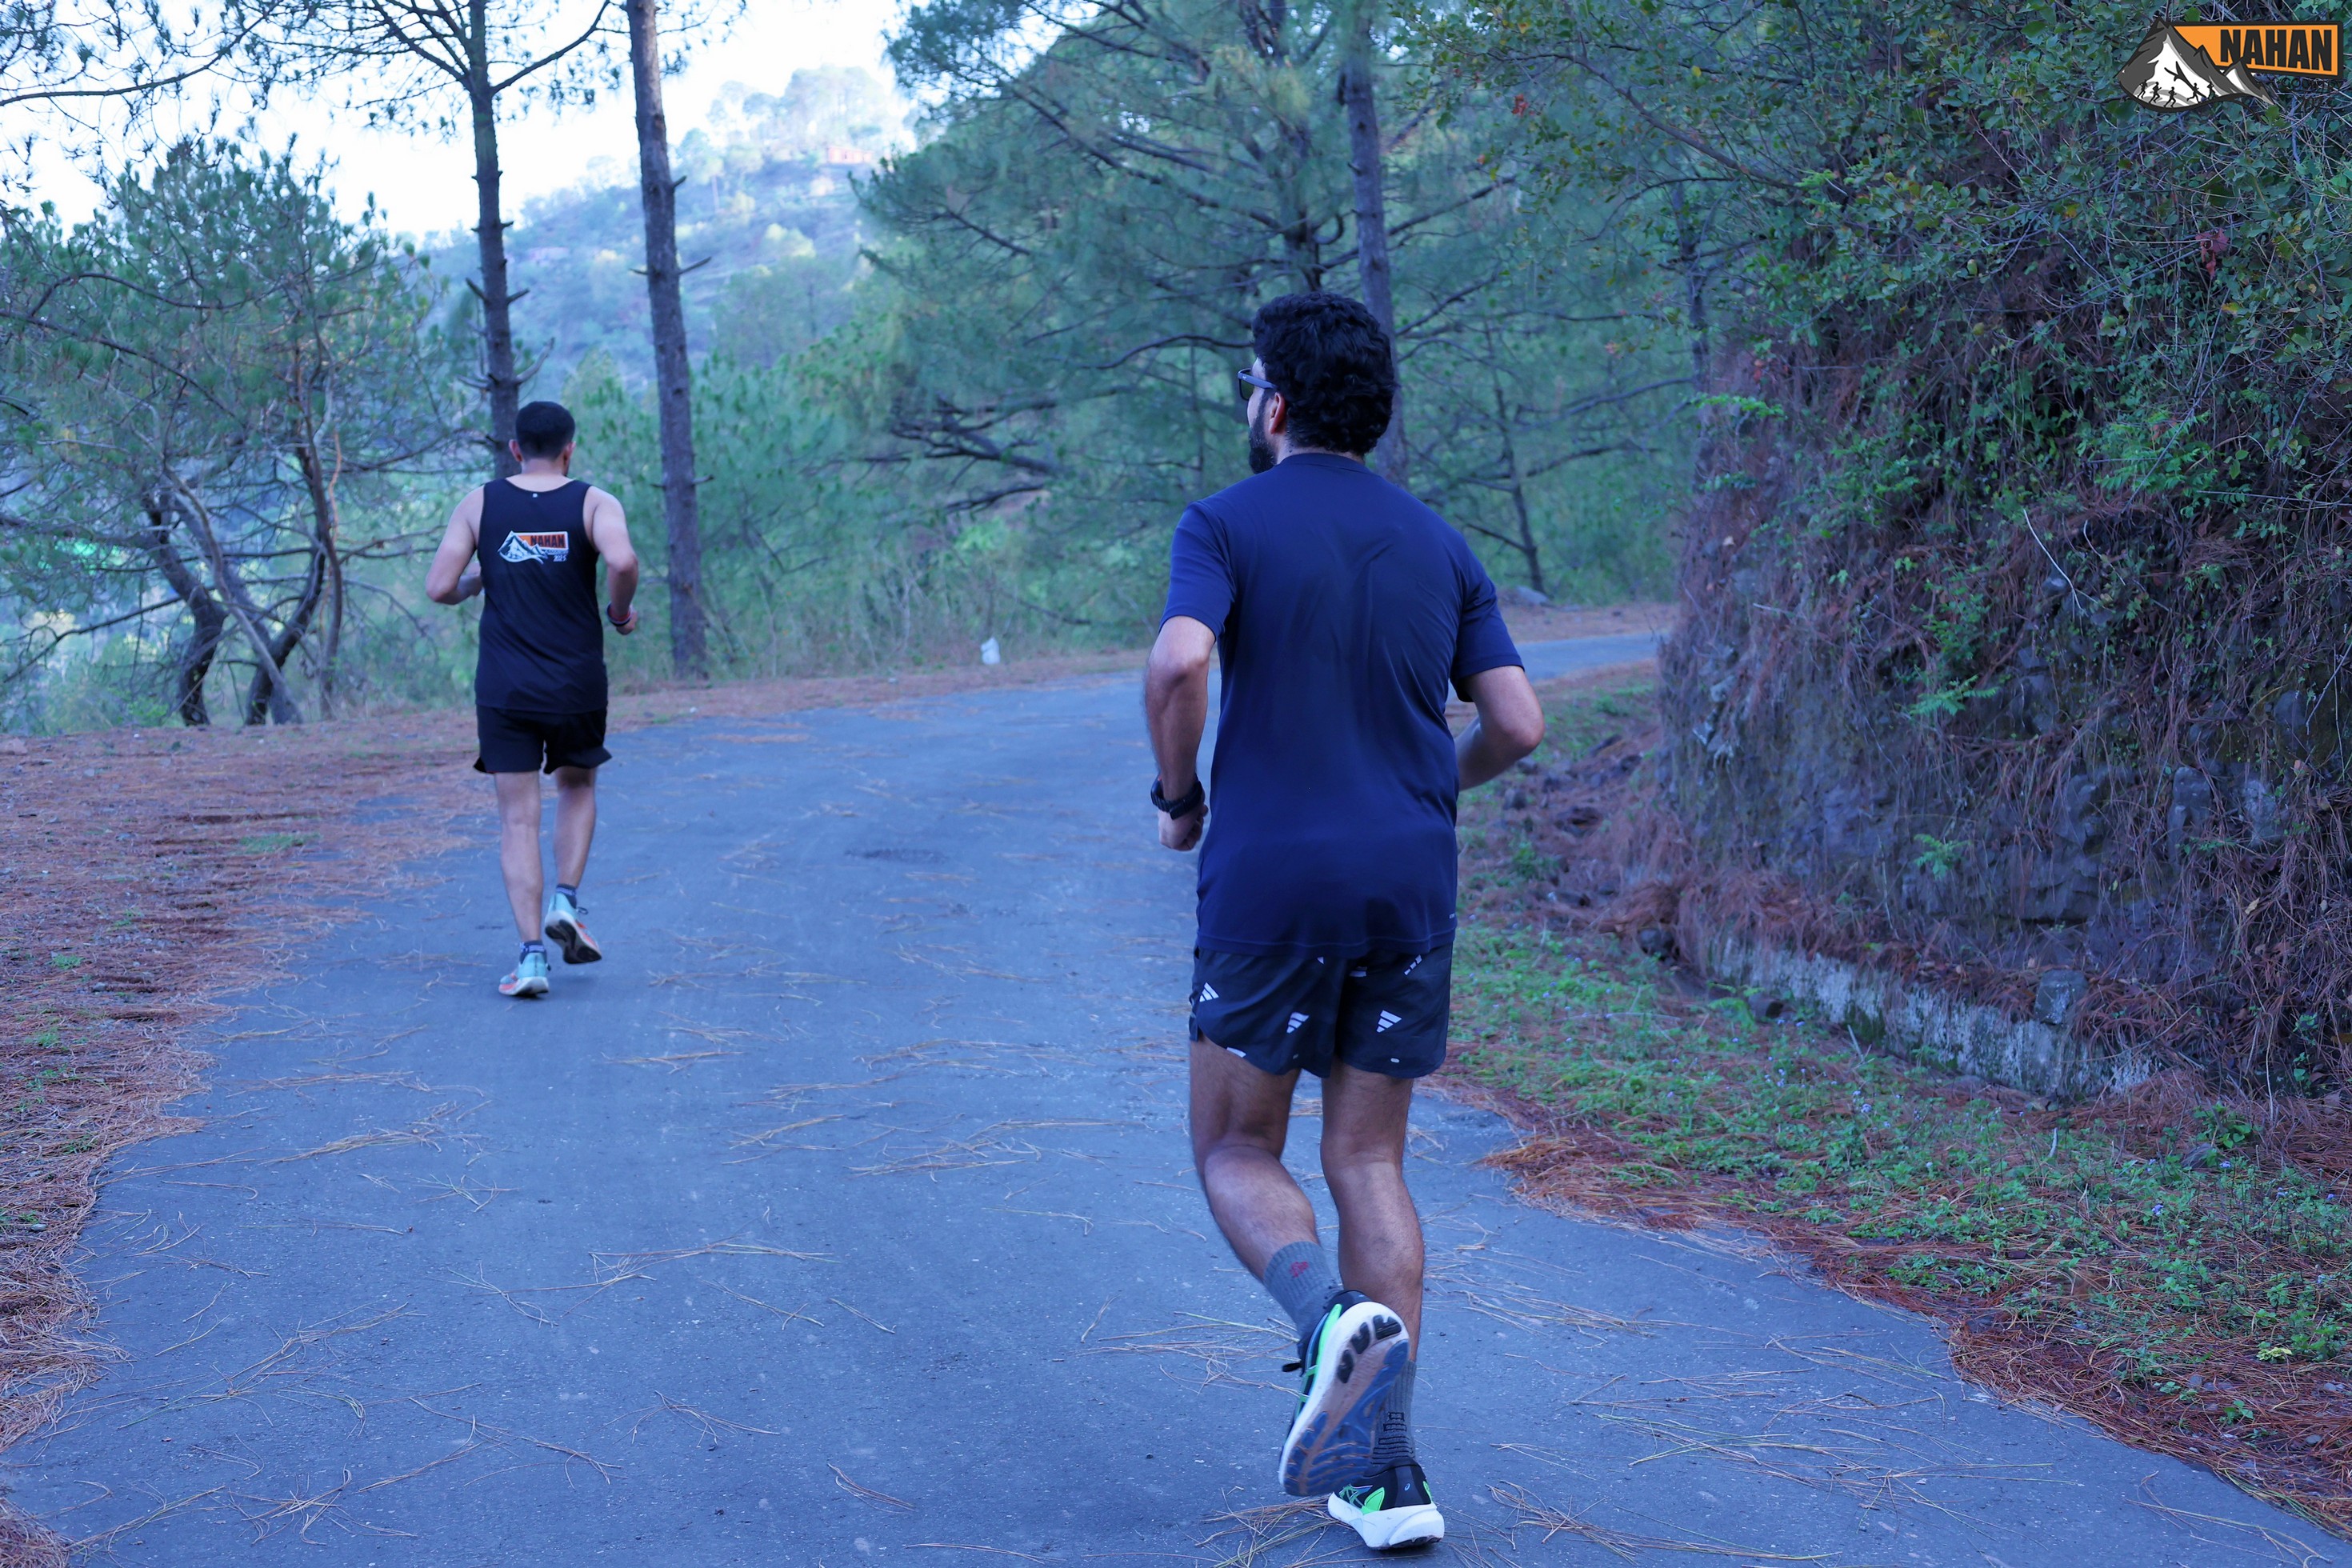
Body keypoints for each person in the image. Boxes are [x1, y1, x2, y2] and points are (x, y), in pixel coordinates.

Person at [1144, 293, 1545, 1550]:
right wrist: (1432, 789)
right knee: (1368, 1161)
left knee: (1233, 1148)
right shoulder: (1439, 543)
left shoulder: (1226, 522)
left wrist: (1179, 797)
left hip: (1272, 886)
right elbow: (1518, 724)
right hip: (1406, 885)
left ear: (1274, 404)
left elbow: (1180, 662)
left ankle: (1328, 1323)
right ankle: (1387, 1474)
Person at [426, 401, 640, 998]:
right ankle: (565, 903)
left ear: (516, 449)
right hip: (574, 682)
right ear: (569, 450)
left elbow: (439, 587)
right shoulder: (594, 503)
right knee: (577, 786)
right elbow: (623, 560)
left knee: (517, 819)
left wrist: (478, 580)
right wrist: (619, 612)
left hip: (505, 686)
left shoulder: (481, 503)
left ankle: (530, 962)